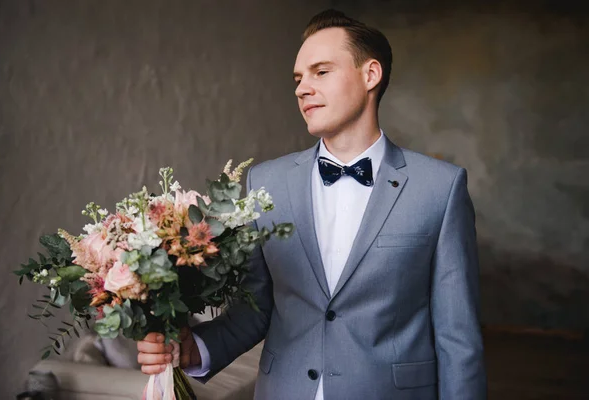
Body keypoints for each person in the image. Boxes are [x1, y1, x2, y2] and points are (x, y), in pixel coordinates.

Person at [137, 9, 487, 400]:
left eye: (321, 72)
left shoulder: (439, 188)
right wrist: (192, 349)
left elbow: (458, 339)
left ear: (371, 75)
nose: (302, 88)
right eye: (298, 79)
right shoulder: (265, 182)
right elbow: (255, 309)